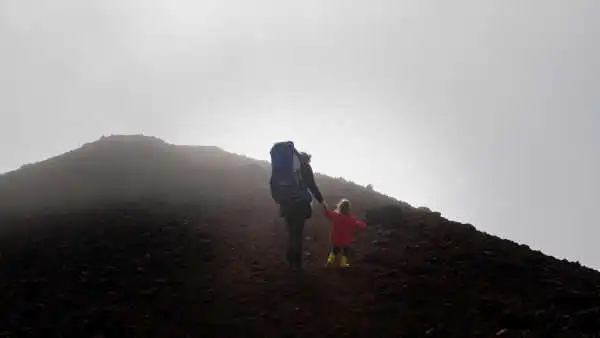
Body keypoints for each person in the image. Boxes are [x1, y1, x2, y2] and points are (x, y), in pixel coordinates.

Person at [270, 142, 325, 271]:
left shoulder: (285, 166)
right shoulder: (305, 167)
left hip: (286, 203)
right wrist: (322, 201)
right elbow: (312, 185)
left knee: (291, 232)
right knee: (298, 234)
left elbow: (274, 182)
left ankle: (290, 260)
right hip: (300, 205)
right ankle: (297, 265)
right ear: (306, 159)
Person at [323, 198, 366, 268]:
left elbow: (328, 214)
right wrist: (363, 224)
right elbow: (357, 224)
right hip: (345, 239)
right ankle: (343, 264)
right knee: (346, 251)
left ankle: (329, 262)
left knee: (335, 250)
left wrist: (325, 207)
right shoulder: (351, 219)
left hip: (335, 238)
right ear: (349, 209)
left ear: (339, 207)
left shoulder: (335, 216)